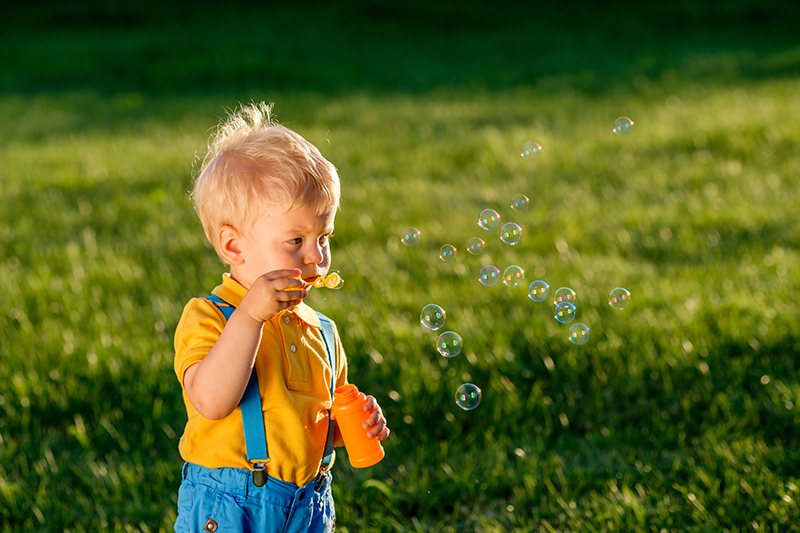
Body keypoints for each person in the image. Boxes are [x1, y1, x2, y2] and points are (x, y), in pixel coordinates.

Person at [173, 102, 390, 533]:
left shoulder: (321, 331)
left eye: (323, 237)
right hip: (234, 504)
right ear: (234, 247)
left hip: (308, 503)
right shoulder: (210, 317)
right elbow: (212, 401)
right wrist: (251, 316)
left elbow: (306, 429)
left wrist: (349, 427)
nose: (317, 257)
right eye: (296, 240)